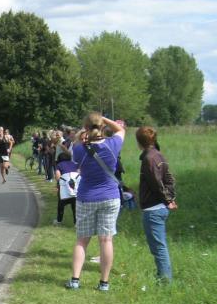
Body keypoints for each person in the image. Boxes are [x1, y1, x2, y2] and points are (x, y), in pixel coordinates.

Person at [65, 113, 125, 292]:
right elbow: (120, 129)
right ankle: (104, 283)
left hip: (86, 197)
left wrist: (83, 131)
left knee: (82, 241)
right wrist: (104, 119)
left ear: (86, 128)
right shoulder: (113, 144)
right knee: (106, 240)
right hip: (110, 197)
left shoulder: (79, 149)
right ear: (102, 126)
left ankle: (75, 280)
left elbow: (75, 146)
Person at [137, 126, 177, 282]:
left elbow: (157, 183)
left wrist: (168, 200)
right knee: (157, 246)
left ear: (139, 142)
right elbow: (170, 179)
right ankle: (162, 275)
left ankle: (165, 280)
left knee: (158, 247)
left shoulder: (149, 158)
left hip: (154, 209)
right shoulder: (158, 155)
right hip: (159, 207)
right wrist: (170, 198)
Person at [54, 150, 80, 226]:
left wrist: (58, 185)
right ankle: (76, 222)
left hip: (64, 189)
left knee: (61, 205)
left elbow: (58, 177)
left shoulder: (59, 165)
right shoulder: (75, 164)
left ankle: (59, 221)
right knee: (75, 206)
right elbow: (79, 174)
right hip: (74, 189)